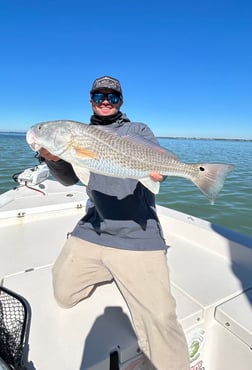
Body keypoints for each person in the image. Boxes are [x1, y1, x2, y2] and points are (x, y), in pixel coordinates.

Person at [39, 76, 190, 370]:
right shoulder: (76, 135)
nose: (105, 101)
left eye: (112, 97)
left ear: (120, 101)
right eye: (99, 96)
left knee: (160, 320)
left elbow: (156, 162)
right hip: (94, 227)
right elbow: (71, 178)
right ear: (91, 100)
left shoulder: (137, 130)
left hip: (138, 232)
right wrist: (52, 158)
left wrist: (163, 171)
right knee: (63, 295)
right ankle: (109, 268)